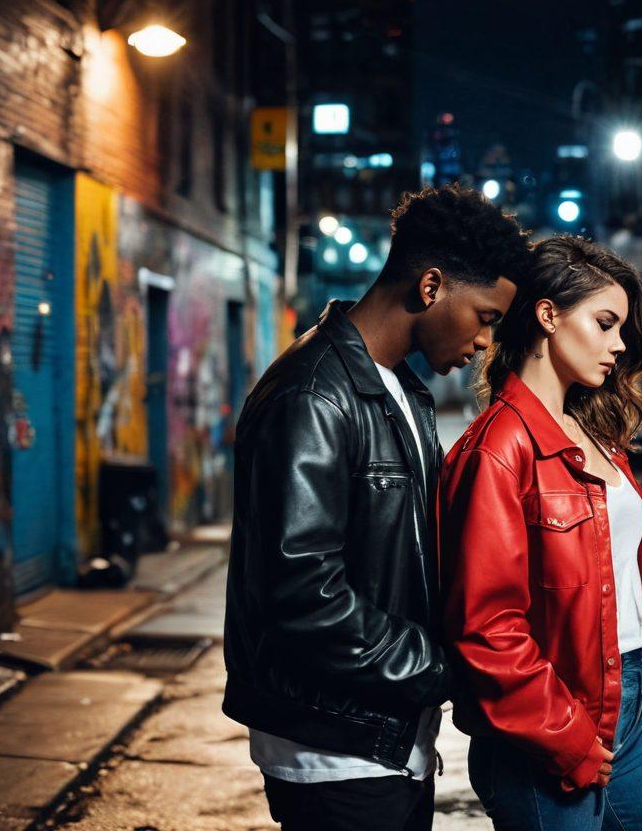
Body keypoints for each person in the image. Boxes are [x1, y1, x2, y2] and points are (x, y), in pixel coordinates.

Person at [222, 184, 532, 831]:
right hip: (335, 749)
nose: (485, 342)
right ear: (431, 287)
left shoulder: (398, 392)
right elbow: (303, 597)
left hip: (386, 735)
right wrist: (444, 666)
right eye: (486, 317)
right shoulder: (313, 396)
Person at [438, 235, 642, 830]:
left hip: (627, 715)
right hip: (546, 734)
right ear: (548, 315)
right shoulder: (500, 449)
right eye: (605, 323)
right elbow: (485, 626)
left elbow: (636, 591)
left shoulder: (597, 435)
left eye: (622, 328)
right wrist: (566, 737)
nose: (619, 344)